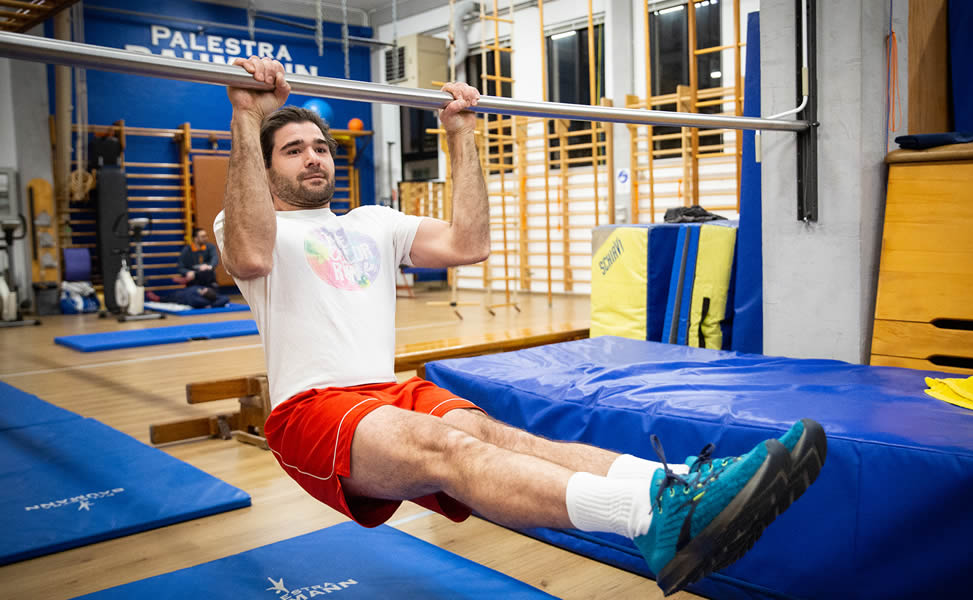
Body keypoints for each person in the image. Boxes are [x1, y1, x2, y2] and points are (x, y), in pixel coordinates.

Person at [215, 56, 826, 596]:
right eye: (293, 150)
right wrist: (246, 116)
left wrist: (461, 135)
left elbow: (468, 243)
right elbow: (250, 258)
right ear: (266, 169)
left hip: (386, 394)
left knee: (503, 437)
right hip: (312, 407)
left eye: (319, 146)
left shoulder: (371, 221)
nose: (313, 157)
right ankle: (651, 517)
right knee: (451, 448)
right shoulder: (250, 223)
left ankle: (682, 483)